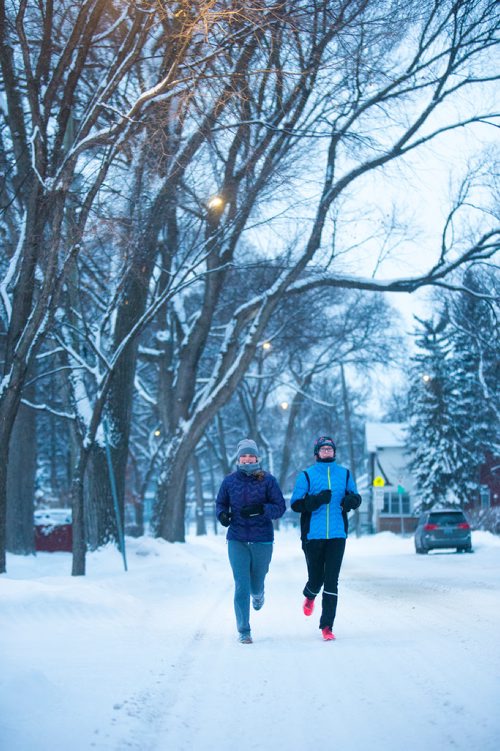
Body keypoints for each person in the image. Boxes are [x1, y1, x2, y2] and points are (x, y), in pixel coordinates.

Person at [290, 435, 361, 641]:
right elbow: (296, 504)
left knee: (331, 580)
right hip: (313, 535)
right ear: (317, 453)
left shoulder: (345, 474)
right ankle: (310, 594)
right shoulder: (307, 476)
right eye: (324, 449)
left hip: (338, 534)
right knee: (316, 578)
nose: (327, 452)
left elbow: (356, 497)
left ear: (334, 452)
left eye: (330, 449)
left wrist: (350, 500)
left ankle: (327, 626)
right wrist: (317, 500)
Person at [216, 438, 286, 644]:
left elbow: (280, 507)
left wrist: (260, 510)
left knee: (256, 584)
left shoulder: (268, 480)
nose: (247, 459)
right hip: (237, 539)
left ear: (257, 457)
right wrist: (222, 515)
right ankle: (244, 630)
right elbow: (221, 503)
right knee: (241, 585)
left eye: (250, 455)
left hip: (262, 539)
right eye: (243, 456)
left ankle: (259, 595)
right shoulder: (229, 481)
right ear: (238, 459)